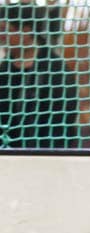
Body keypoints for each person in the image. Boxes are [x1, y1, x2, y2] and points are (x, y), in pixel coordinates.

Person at [0, 3, 78, 149]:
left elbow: (61, 124)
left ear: (26, 31)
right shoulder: (5, 69)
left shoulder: (56, 71)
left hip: (44, 152)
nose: (1, 37)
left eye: (5, 30)